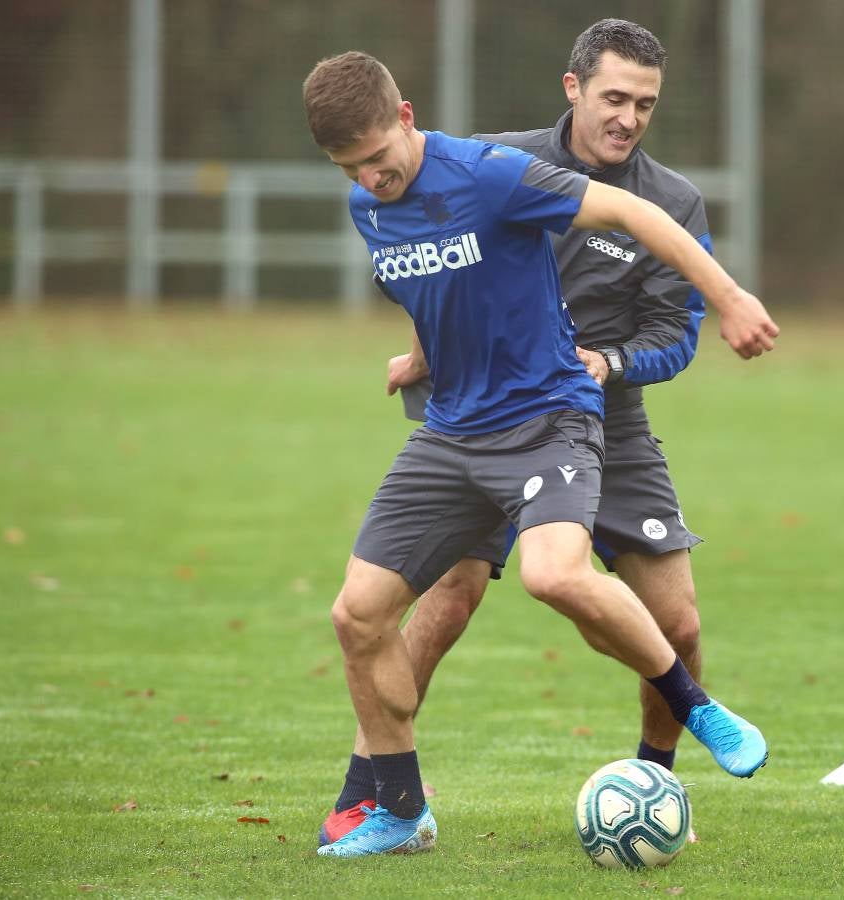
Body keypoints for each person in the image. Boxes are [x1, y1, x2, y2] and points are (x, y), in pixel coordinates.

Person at [302, 50, 779, 857]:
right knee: (358, 614)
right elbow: (427, 281)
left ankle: (695, 708)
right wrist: (422, 353)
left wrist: (730, 298)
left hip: (551, 416)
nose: (373, 178)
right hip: (452, 433)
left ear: (408, 117)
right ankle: (397, 807)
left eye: (381, 158)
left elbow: (636, 219)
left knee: (553, 574)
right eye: (353, 168)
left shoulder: (492, 173)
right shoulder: (368, 205)